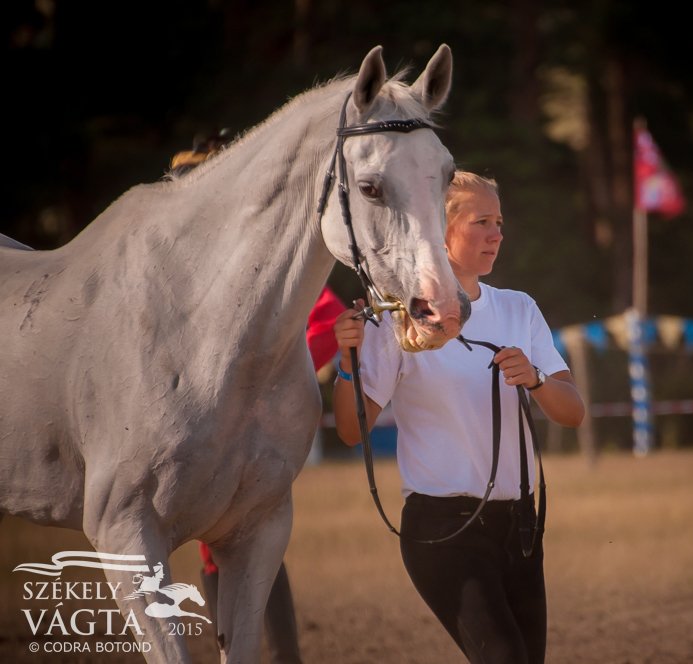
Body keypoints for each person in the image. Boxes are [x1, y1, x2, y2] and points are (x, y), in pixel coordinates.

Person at [332, 171, 585, 664]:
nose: (497, 235)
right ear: (438, 230)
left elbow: (572, 413)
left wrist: (535, 379)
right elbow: (350, 430)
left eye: (500, 222)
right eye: (482, 222)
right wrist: (347, 362)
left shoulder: (519, 309)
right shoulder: (398, 318)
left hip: (521, 524)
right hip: (441, 527)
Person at [171, 130, 348, 664]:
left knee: (246, 542)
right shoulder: (168, 267)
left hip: (250, 428)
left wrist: (278, 374)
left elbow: (329, 320)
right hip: (186, 425)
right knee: (216, 547)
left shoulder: (267, 265)